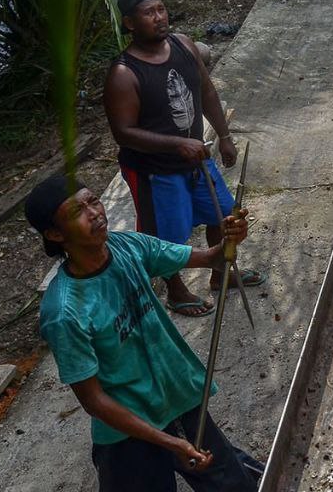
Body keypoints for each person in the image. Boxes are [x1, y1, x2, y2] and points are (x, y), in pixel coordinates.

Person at [26, 175, 261, 491]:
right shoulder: (64, 312)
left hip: (175, 399)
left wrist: (229, 241)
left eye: (93, 200)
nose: (94, 213)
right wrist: (169, 443)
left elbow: (209, 258)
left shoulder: (126, 246)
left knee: (235, 485)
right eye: (76, 212)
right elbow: (94, 401)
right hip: (126, 435)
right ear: (55, 234)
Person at [103, 0, 263, 316]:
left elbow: (205, 90)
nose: (159, 17)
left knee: (224, 214)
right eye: (149, 13)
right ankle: (176, 292)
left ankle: (221, 274)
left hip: (197, 161)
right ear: (130, 23)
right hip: (156, 170)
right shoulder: (124, 74)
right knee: (165, 236)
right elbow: (124, 133)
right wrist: (178, 144)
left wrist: (224, 135)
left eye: (161, 9)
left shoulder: (184, 45)